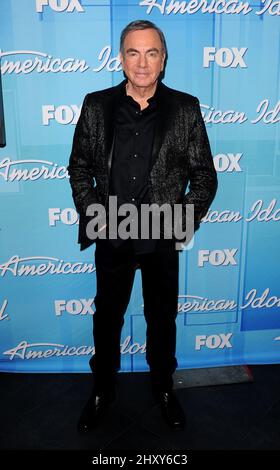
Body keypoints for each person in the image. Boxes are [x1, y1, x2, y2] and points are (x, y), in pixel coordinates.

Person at [67, 19, 218, 433]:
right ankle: (102, 390)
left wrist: (176, 224)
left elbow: (205, 177)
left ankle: (164, 388)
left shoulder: (185, 109)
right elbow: (79, 169)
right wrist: (96, 217)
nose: (143, 62)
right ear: (121, 58)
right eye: (133, 52)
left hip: (160, 237)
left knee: (162, 318)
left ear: (164, 59)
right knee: (107, 319)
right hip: (111, 235)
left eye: (152, 52)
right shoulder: (96, 106)